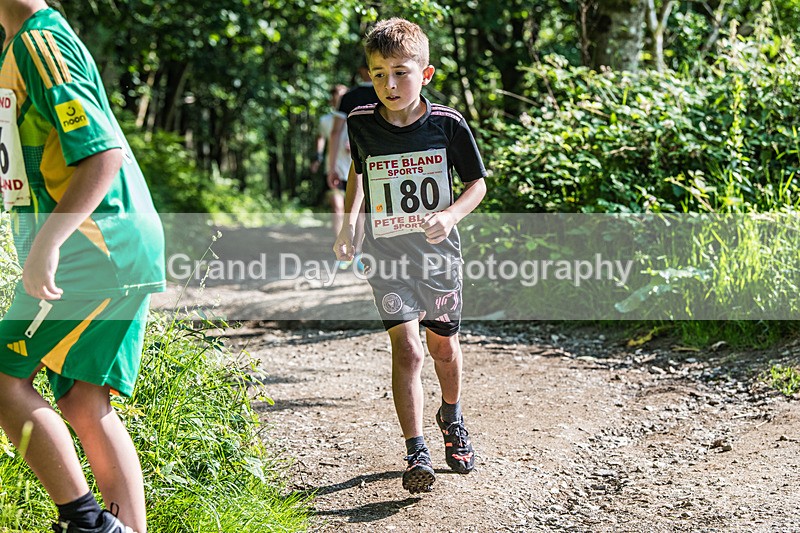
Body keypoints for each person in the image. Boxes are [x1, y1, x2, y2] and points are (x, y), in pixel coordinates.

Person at [0, 1, 165, 531]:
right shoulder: (20, 42)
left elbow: (103, 154)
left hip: (96, 247)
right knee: (84, 401)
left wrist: (47, 244)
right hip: (116, 244)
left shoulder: (39, 42)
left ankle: (88, 523)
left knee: (2, 379)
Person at [333, 17, 487, 494]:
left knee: (441, 346)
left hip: (439, 255)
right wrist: (350, 220)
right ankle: (415, 449)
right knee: (408, 348)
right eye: (379, 74)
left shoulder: (447, 124)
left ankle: (452, 416)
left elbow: (477, 184)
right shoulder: (361, 122)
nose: (389, 84)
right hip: (386, 257)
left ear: (425, 74)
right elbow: (360, 170)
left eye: (400, 72)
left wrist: (451, 216)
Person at [311, 84, 349, 236]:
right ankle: (341, 245)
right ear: (331, 99)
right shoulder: (325, 120)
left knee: (353, 210)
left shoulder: (356, 118)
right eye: (336, 94)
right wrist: (317, 157)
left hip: (354, 170)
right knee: (337, 208)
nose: (339, 97)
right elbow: (320, 137)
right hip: (333, 169)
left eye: (343, 94)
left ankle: (356, 247)